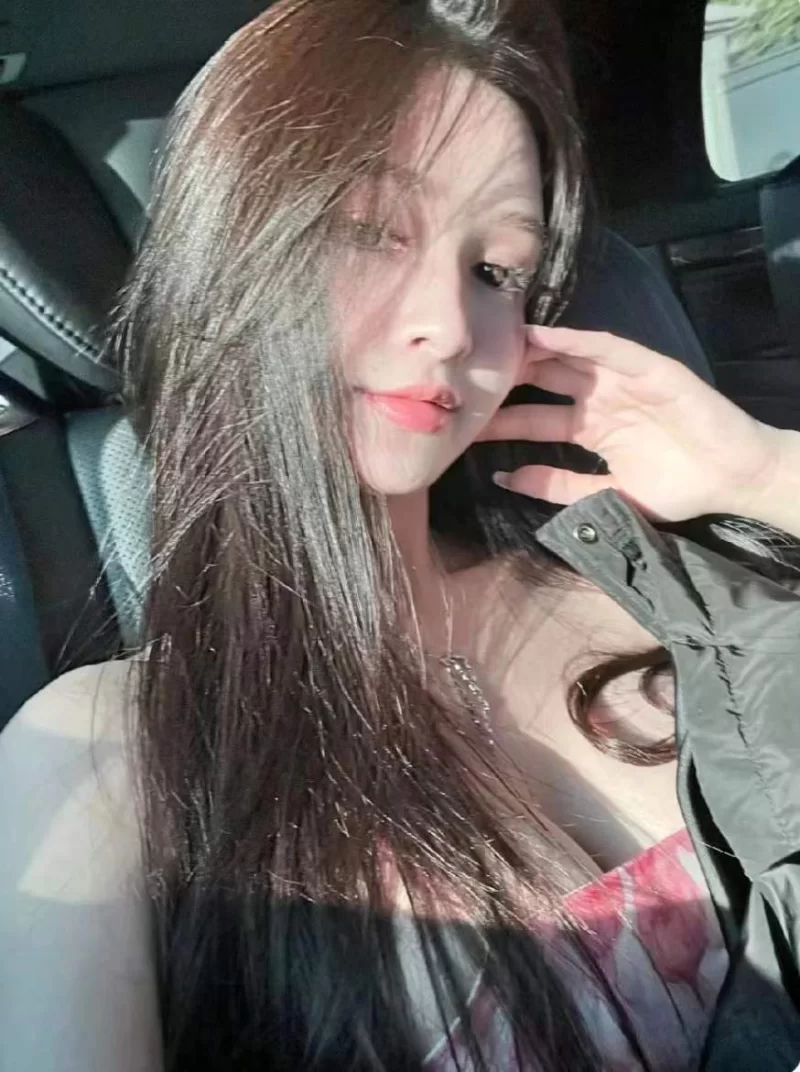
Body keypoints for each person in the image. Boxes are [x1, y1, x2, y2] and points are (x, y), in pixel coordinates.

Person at [2, 1, 800, 1069]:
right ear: (231, 257)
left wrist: (762, 475)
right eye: (372, 230)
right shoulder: (110, 755)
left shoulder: (644, 576)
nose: (452, 325)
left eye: (495, 271)